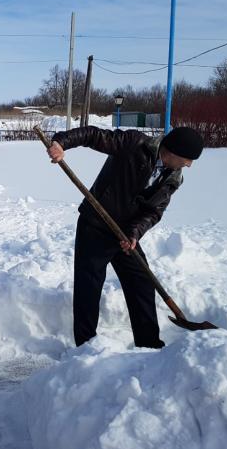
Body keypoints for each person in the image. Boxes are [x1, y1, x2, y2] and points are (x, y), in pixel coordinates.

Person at [46, 125, 204, 349]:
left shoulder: (174, 178)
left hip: (124, 235)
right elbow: (94, 135)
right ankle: (86, 347)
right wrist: (61, 142)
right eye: (187, 159)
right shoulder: (135, 144)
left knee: (142, 283)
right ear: (172, 151)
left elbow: (154, 212)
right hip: (96, 225)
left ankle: (149, 344)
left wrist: (134, 233)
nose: (189, 164)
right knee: (89, 287)